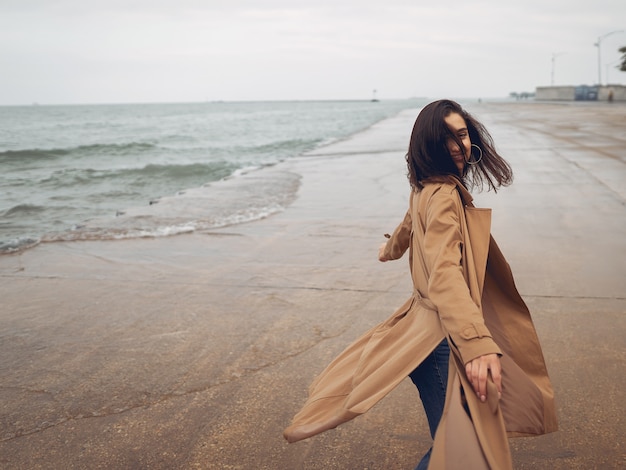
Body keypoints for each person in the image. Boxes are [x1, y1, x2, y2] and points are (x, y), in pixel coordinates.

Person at [284, 100, 557, 469]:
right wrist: (477, 344)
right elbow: (445, 274)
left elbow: (407, 226)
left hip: (423, 337)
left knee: (459, 443)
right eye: (446, 139)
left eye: (461, 135)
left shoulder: (427, 188)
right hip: (441, 342)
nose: (457, 147)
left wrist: (389, 250)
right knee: (464, 448)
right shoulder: (443, 195)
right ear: (428, 145)